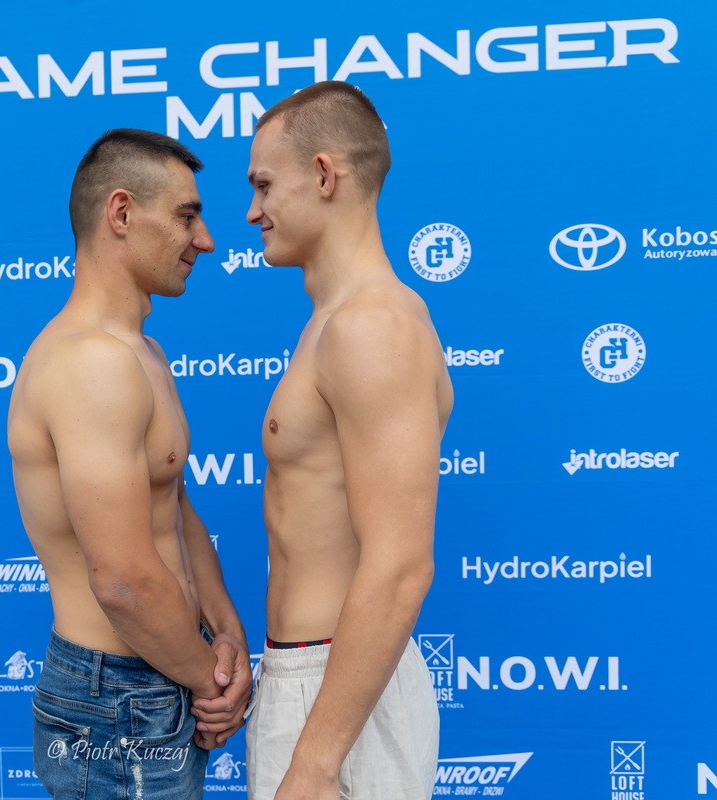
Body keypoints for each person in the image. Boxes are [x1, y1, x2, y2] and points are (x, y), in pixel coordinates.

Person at [7, 128, 252, 800]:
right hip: (117, 697)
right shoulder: (91, 363)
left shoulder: (141, 352)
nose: (205, 240)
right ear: (120, 212)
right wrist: (211, 682)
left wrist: (227, 634)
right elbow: (121, 580)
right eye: (186, 216)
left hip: (160, 675)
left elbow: (174, 510)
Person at [242, 82, 452, 800]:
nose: (252, 212)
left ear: (325, 175)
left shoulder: (371, 327)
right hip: (314, 682)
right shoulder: (336, 321)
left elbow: (400, 564)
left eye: (263, 185)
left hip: (334, 697)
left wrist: (315, 763)